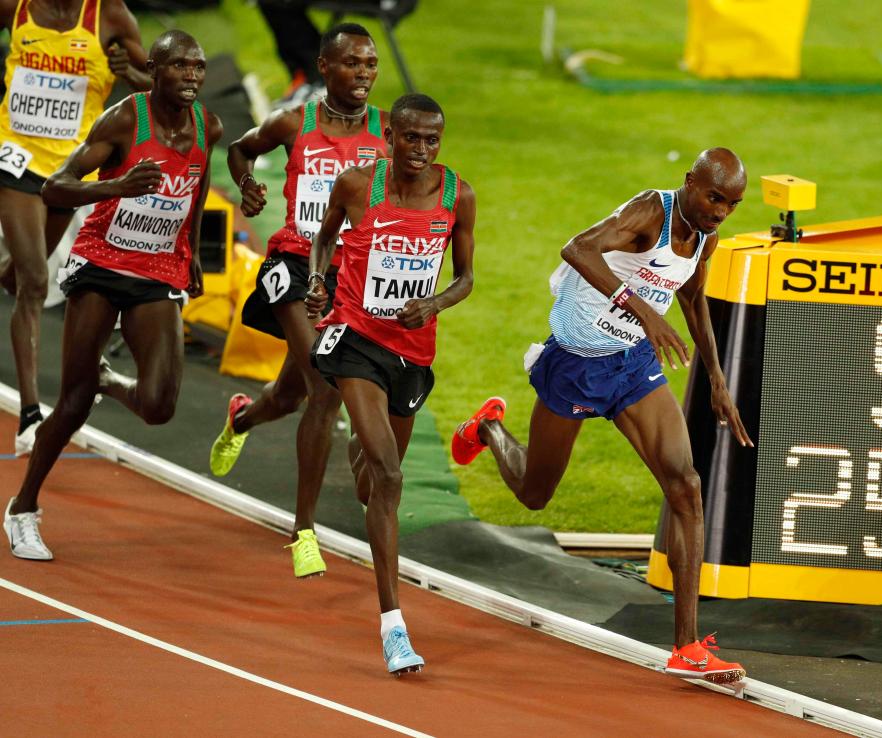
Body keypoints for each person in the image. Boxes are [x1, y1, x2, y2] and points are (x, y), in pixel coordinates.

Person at [452, 148, 752, 684]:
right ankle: (489, 429)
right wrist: (642, 310)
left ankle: (686, 646)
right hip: (575, 364)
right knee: (535, 492)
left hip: (633, 366)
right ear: (690, 182)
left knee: (686, 486)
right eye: (713, 197)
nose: (720, 211)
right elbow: (577, 249)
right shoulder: (650, 213)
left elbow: (693, 299)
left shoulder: (706, 236)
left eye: (731, 204)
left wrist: (717, 379)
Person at [2, 30, 222, 561]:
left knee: (159, 405)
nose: (192, 77)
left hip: (156, 269)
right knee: (74, 403)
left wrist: (192, 250)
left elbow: (198, 182)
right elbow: (56, 185)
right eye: (181, 67)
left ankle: (107, 376)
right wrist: (114, 187)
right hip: (101, 264)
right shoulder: (125, 120)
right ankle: (22, 509)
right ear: (156, 67)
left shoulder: (206, 127)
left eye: (199, 67)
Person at [209, 22, 388, 579]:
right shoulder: (294, 122)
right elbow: (241, 150)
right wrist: (246, 184)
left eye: (371, 64)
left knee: (290, 394)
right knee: (324, 384)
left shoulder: (389, 134)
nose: (364, 74)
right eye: (352, 64)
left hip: (350, 281)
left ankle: (242, 418)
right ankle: (303, 530)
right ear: (325, 67)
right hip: (292, 263)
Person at [308, 93, 475, 674]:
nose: (423, 151)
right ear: (392, 136)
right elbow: (324, 238)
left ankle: (361, 445)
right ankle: (394, 626)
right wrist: (316, 281)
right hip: (355, 338)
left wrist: (434, 303)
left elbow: (467, 278)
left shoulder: (458, 195)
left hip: (412, 352)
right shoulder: (357, 186)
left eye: (433, 140)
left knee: (370, 482)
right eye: (413, 139)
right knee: (391, 475)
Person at [0, 0, 150, 457]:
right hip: (15, 156)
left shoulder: (111, 16)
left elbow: (159, 87)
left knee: (21, 273)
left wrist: (128, 72)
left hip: (69, 170)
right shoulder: (16, 8)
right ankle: (30, 416)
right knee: (35, 282)